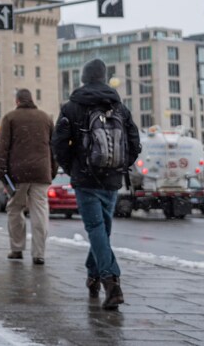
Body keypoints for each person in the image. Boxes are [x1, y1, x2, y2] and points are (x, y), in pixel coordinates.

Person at [52, 59, 141, 310]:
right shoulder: (120, 108)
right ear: (104, 77)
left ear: (83, 78)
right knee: (101, 230)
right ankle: (93, 275)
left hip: (86, 179)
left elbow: (58, 144)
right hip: (111, 179)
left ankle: (111, 283)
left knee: (96, 229)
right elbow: (135, 144)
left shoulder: (71, 107)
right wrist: (121, 165)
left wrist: (73, 169)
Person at [0, 88, 56, 265]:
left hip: (18, 174)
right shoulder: (45, 118)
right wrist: (51, 171)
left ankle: (17, 248)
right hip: (41, 173)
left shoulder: (10, 118)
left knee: (15, 209)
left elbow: (2, 148)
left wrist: (2, 173)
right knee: (40, 212)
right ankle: (39, 254)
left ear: (17, 101)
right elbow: (53, 149)